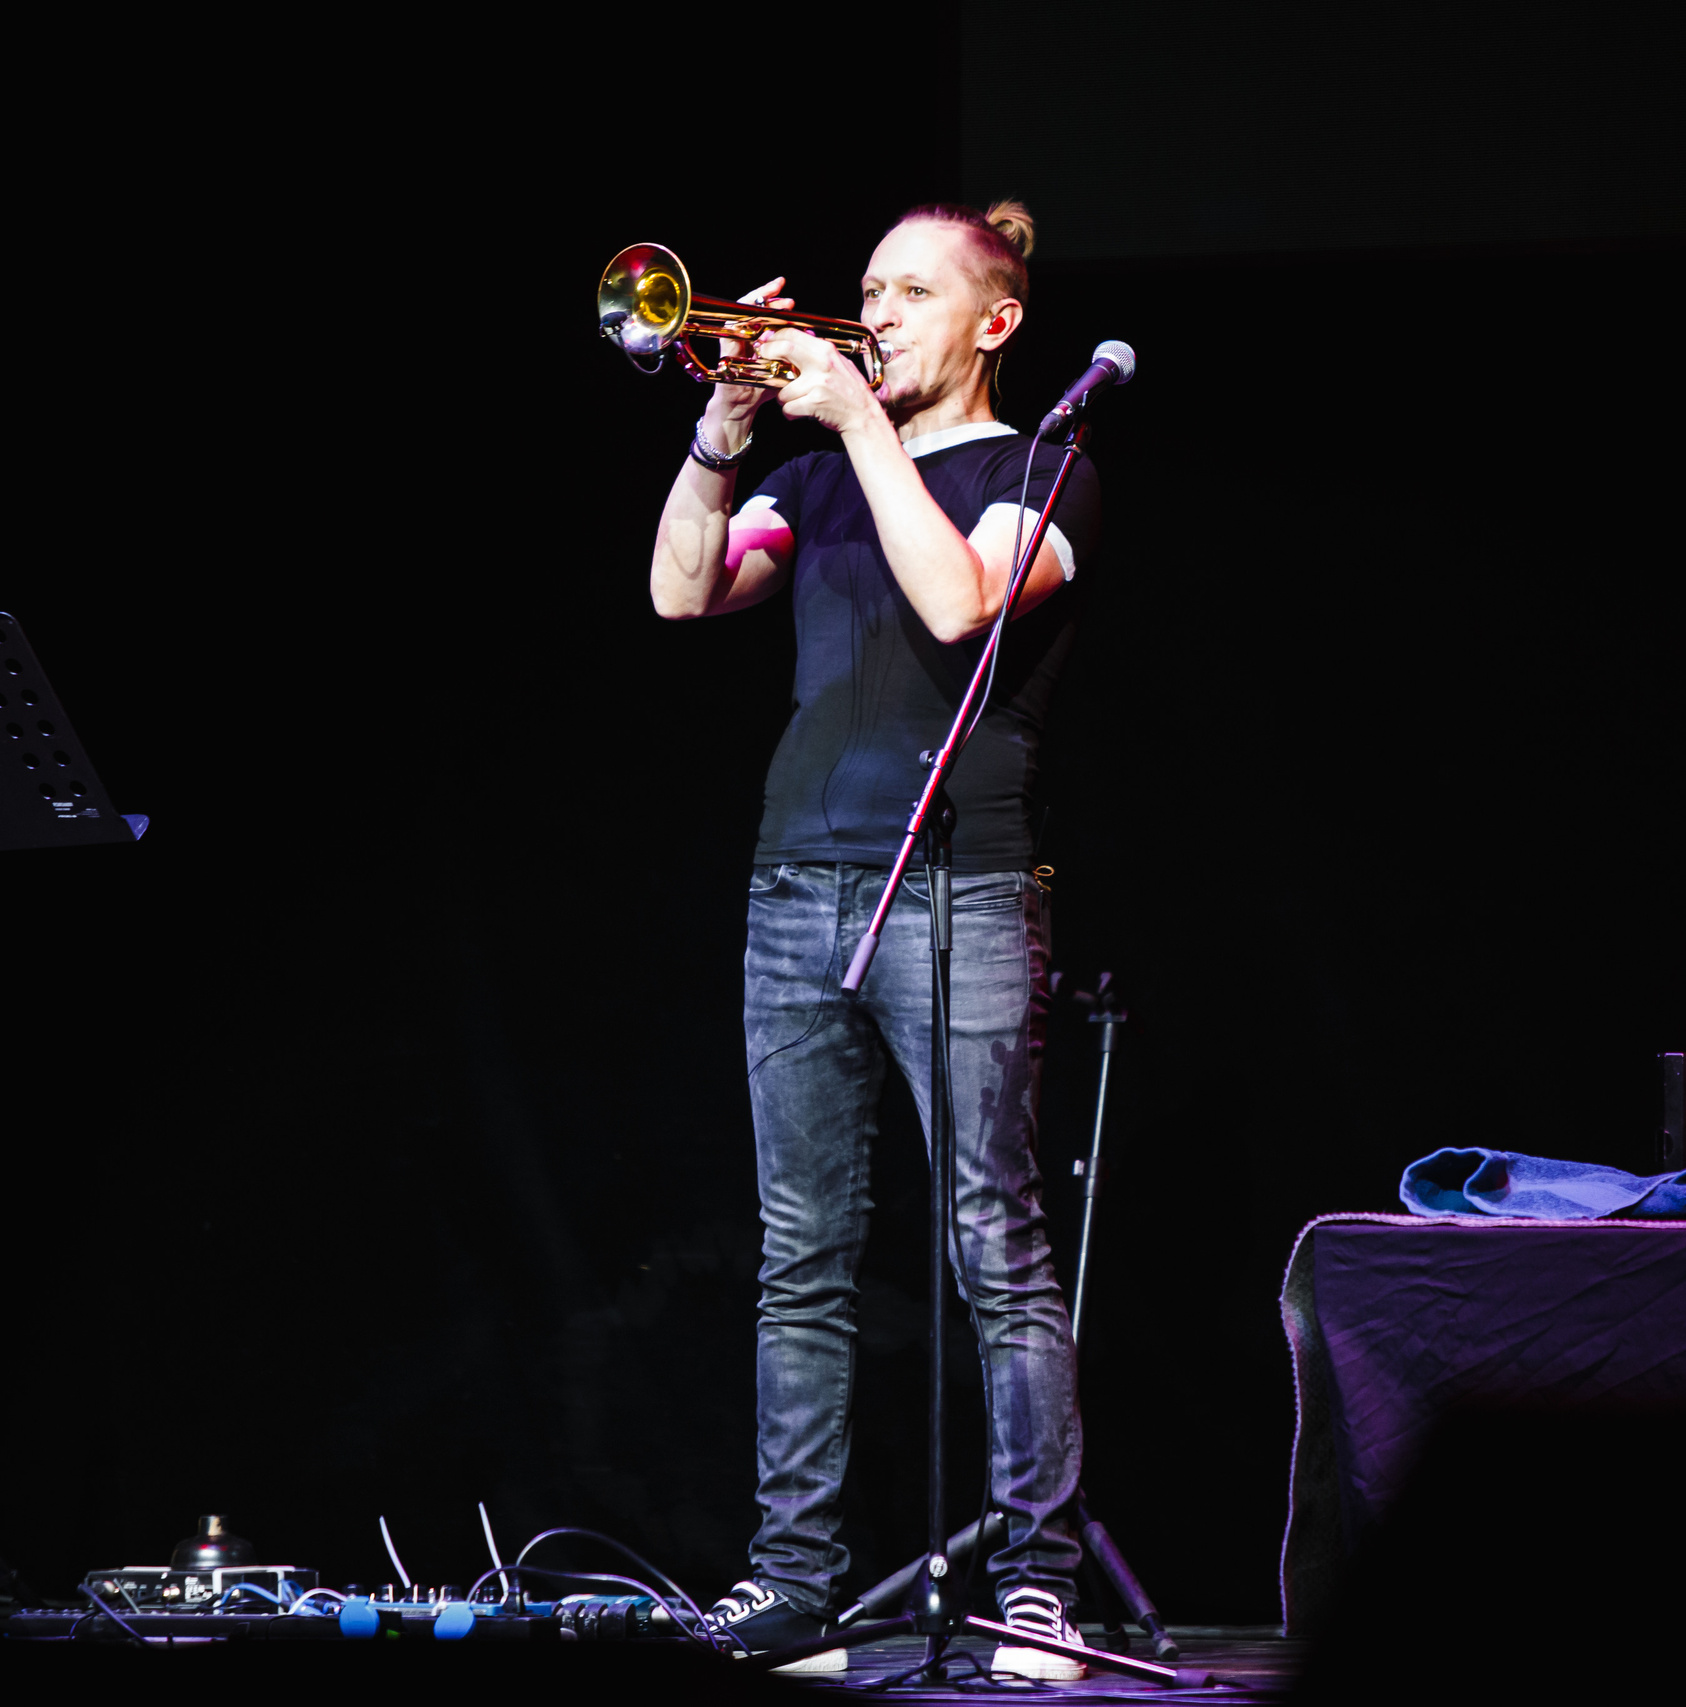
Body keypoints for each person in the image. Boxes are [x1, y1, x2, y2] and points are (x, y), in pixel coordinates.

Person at [648, 200, 1099, 1681]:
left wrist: (857, 429)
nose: (875, 317)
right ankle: (795, 1581)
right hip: (795, 888)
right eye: (864, 292)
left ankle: (1038, 1581)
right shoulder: (806, 474)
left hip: (957, 890)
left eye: (911, 293)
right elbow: (678, 589)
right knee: (803, 1256)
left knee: (996, 1248)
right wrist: (721, 430)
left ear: (996, 320)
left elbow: (964, 599)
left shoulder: (1044, 469)